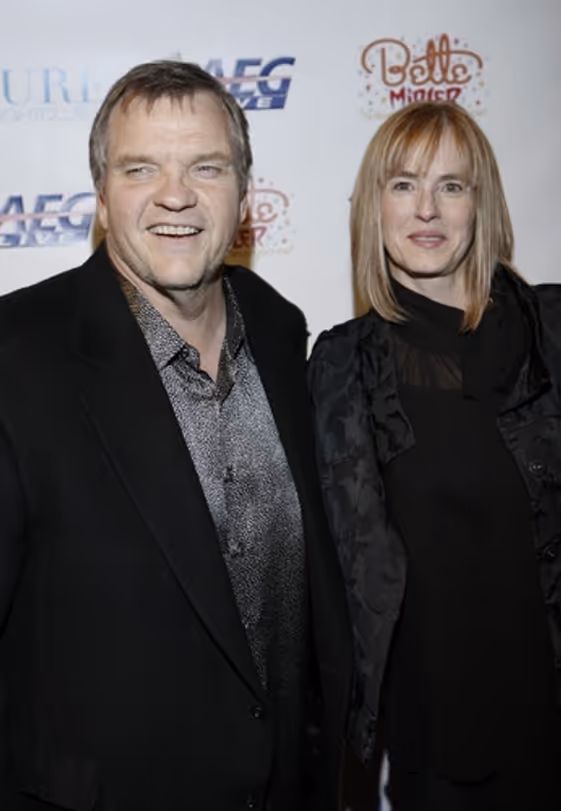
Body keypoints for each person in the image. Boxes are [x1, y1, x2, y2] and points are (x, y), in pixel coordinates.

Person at [0, 60, 351, 811]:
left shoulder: (284, 332)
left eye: (206, 166)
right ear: (99, 195)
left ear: (244, 192)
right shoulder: (17, 354)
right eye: (141, 168)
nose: (176, 194)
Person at [308, 101, 561, 811]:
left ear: (483, 203)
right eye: (403, 183)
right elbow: (337, 571)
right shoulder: (342, 363)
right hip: (440, 752)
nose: (427, 208)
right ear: (374, 206)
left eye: (452, 184)